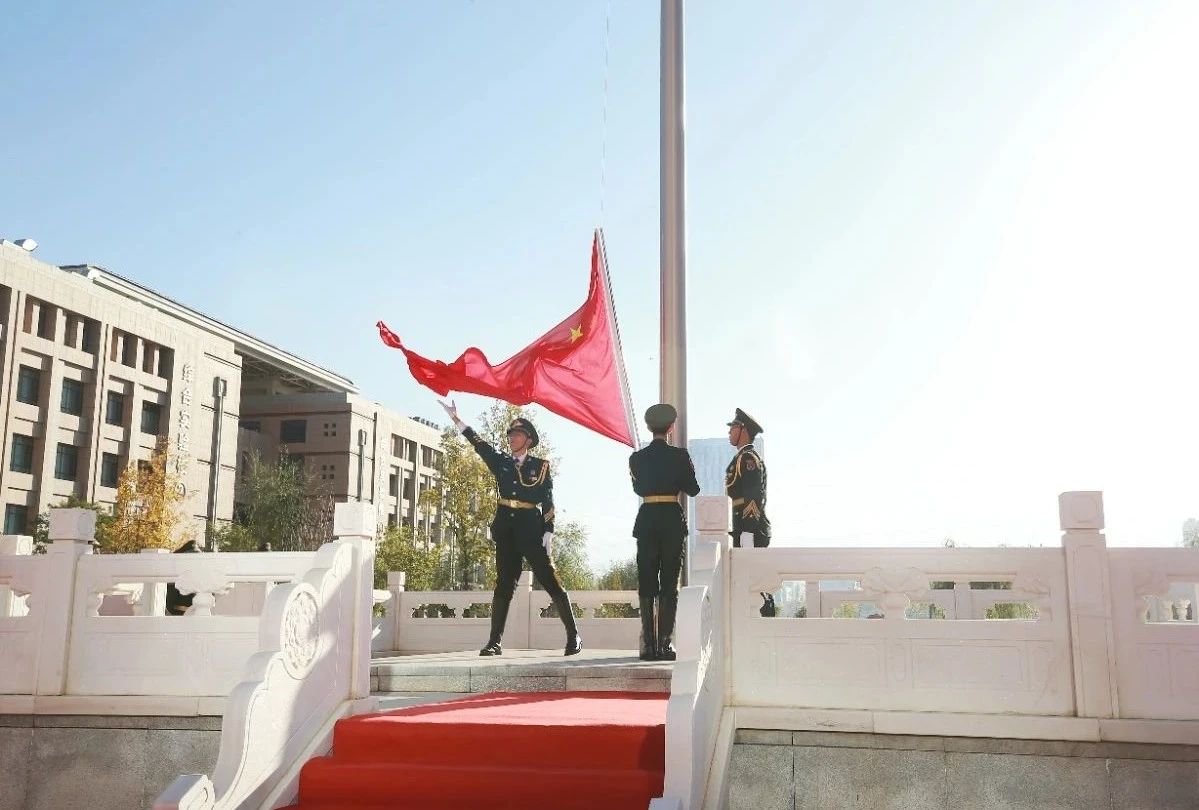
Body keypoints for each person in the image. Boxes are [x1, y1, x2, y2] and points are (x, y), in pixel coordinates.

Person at [439, 399, 582, 657]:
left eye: (517, 434)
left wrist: (549, 529)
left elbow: (548, 499)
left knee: (550, 581)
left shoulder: (540, 466)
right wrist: (457, 420)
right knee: (504, 585)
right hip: (506, 529)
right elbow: (479, 444)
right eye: (510, 434)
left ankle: (574, 636)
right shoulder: (501, 462)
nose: (511, 438)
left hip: (531, 529)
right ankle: (494, 642)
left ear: (528, 439)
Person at [628, 403, 700, 661]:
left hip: (647, 520)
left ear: (649, 427)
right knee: (669, 583)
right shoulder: (680, 456)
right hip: (671, 520)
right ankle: (665, 643)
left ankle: (648, 645)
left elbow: (638, 489)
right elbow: (693, 489)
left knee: (647, 581)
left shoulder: (636, 458)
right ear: (671, 427)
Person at [725, 408, 770, 548]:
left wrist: (748, 531)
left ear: (743, 430)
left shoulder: (748, 459)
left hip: (750, 530)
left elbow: (753, 495)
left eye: (733, 427)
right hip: (739, 526)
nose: (729, 431)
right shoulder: (741, 458)